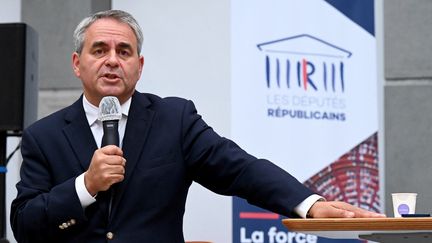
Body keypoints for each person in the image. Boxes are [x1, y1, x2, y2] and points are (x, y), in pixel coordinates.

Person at [10, 10, 385, 243]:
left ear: (139, 66)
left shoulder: (174, 120)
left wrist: (310, 205)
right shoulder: (43, 136)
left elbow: (242, 169)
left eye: (123, 52)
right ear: (77, 63)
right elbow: (25, 225)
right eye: (99, 50)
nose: (112, 61)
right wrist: (85, 186)